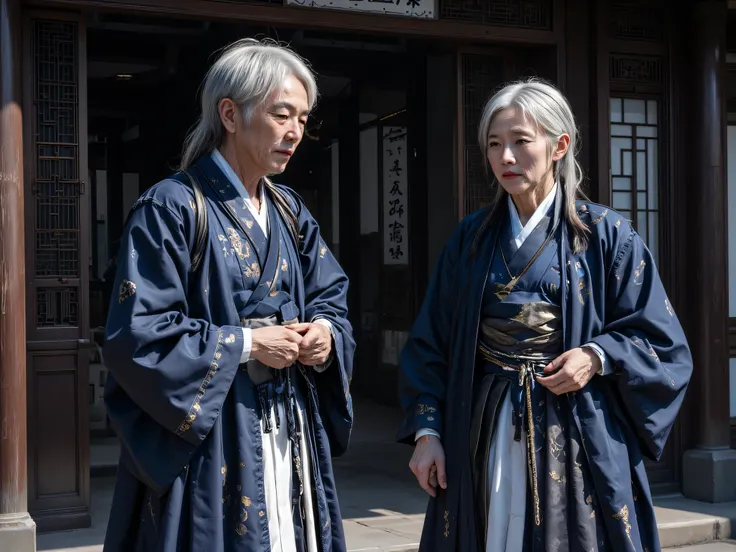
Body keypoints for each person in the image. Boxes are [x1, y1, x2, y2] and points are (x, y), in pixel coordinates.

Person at [397, 78, 692, 552]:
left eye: (520, 141)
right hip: (485, 430)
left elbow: (661, 341)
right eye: (495, 144)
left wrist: (596, 356)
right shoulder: (471, 239)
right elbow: (431, 340)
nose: (505, 157)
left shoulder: (606, 235)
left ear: (560, 146)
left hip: (575, 431)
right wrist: (427, 432)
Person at [102, 38, 355, 552]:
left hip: (287, 422)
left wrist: (325, 333)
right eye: (282, 114)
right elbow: (138, 333)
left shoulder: (289, 209)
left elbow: (330, 291)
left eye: (303, 120)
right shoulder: (171, 207)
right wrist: (247, 344)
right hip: (212, 433)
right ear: (230, 114)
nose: (295, 133)